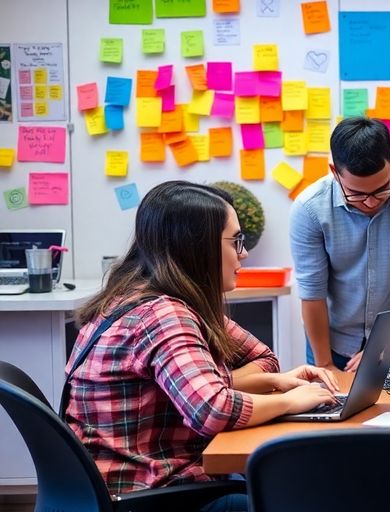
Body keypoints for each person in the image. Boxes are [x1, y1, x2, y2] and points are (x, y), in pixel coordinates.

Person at [67, 182, 340, 510]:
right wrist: (290, 400)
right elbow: (211, 410)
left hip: (144, 480)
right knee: (294, 496)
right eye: (235, 241)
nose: (244, 253)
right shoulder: (162, 314)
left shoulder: (157, 297)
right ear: (198, 246)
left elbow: (263, 358)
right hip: (140, 494)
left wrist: (269, 381)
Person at [290, 117, 390, 373]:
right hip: (329, 343)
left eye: (382, 189)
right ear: (334, 172)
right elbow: (312, 292)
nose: (370, 202)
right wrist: (324, 364)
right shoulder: (310, 209)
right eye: (356, 194)